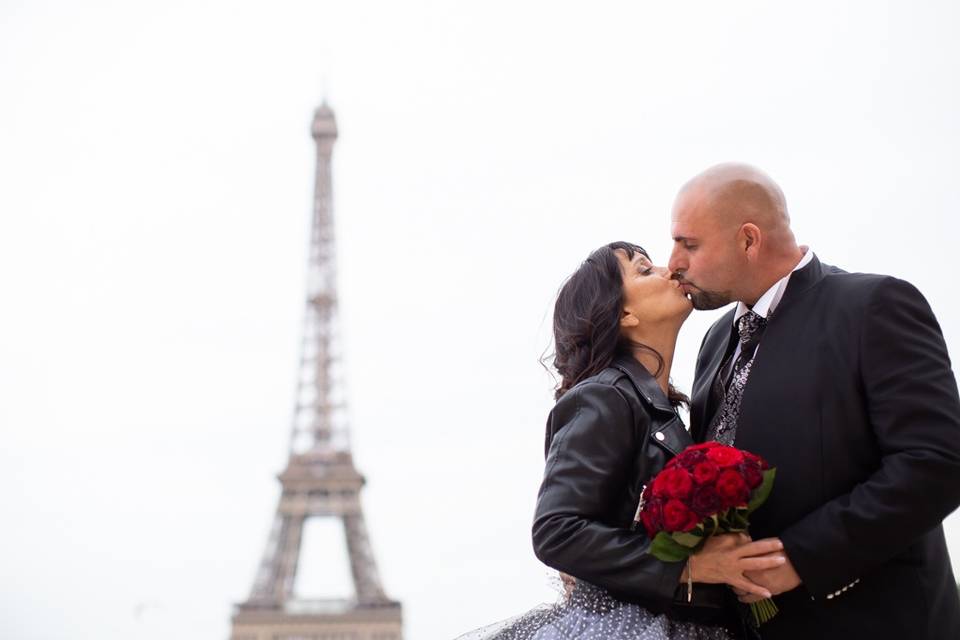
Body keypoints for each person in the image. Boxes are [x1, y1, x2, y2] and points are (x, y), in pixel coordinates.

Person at [668, 163, 960, 639]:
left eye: (689, 244)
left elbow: (938, 462)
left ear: (748, 240)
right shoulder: (715, 340)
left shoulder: (874, 306)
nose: (673, 262)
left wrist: (802, 557)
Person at [456, 242, 785, 640]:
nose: (670, 270)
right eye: (645, 270)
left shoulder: (664, 407)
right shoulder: (604, 396)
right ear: (624, 314)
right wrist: (688, 566)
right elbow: (556, 529)